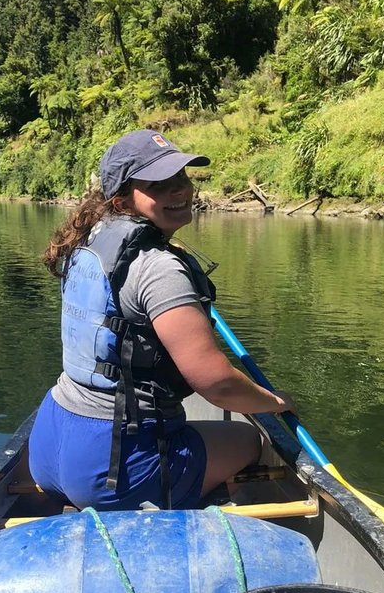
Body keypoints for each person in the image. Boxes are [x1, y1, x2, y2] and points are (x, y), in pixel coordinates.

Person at [28, 129, 297, 511]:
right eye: (158, 185)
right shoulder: (158, 268)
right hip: (109, 469)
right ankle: (190, 509)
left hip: (48, 444)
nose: (180, 190)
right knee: (248, 441)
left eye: (182, 178)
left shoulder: (87, 242)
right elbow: (217, 385)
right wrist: (273, 402)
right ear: (122, 200)